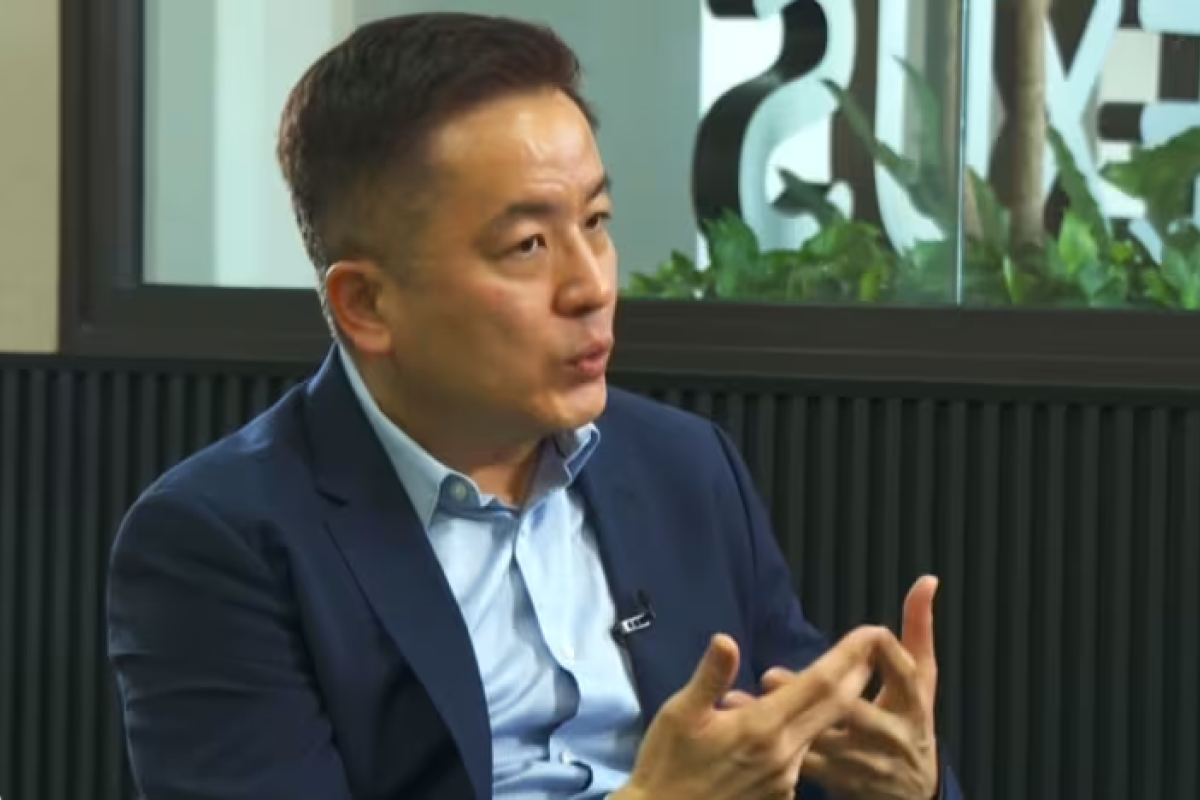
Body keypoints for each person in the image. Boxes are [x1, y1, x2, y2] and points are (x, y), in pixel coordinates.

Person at [106, 11, 963, 800]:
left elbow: (801, 742)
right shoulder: (220, 541)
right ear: (368, 305)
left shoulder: (682, 467)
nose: (591, 286)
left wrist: (908, 783)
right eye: (528, 245)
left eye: (596, 220)